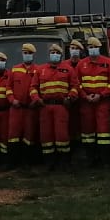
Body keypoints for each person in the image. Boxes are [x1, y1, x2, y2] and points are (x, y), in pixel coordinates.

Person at [74, 35, 110, 165]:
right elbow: (77, 83)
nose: (92, 49)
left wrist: (102, 95)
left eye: (95, 47)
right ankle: (90, 158)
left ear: (100, 48)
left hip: (102, 102)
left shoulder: (108, 63)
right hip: (86, 102)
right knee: (88, 131)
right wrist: (85, 96)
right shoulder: (81, 64)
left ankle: (104, 159)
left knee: (103, 131)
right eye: (90, 47)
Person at [34, 42, 78, 170]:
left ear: (61, 55)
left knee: (62, 135)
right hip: (45, 107)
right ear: (49, 55)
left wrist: (70, 98)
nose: (54, 55)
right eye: (52, 52)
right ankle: (49, 163)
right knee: (46, 136)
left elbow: (75, 87)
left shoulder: (68, 69)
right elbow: (33, 88)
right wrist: (37, 99)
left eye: (57, 53)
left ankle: (65, 162)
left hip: (61, 107)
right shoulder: (40, 70)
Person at [5, 43, 41, 168]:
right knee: (13, 135)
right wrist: (12, 100)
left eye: (29, 53)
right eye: (25, 53)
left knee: (29, 135)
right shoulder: (14, 69)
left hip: (30, 109)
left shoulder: (38, 70)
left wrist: (35, 101)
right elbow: (8, 88)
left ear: (33, 55)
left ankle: (27, 162)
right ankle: (11, 162)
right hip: (16, 108)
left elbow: (39, 88)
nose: (27, 55)